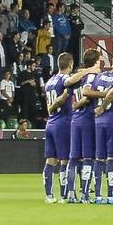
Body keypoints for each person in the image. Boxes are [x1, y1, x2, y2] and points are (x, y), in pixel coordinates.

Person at [85, 57, 113, 204]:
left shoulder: (99, 76)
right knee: (112, 158)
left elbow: (88, 92)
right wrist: (108, 98)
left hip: (98, 121)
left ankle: (97, 195)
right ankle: (111, 195)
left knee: (99, 158)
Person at [64, 51, 102, 204]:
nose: (101, 63)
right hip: (87, 119)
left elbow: (68, 84)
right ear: (95, 61)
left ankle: (71, 193)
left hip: (75, 119)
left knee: (73, 158)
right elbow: (87, 96)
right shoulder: (92, 77)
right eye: (99, 61)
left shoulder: (77, 77)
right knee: (88, 158)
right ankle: (85, 195)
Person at [42, 53, 75, 203]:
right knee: (64, 160)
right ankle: (64, 195)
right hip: (63, 122)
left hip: (50, 122)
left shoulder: (49, 81)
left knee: (50, 159)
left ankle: (48, 195)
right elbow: (64, 95)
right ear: (70, 64)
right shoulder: (64, 79)